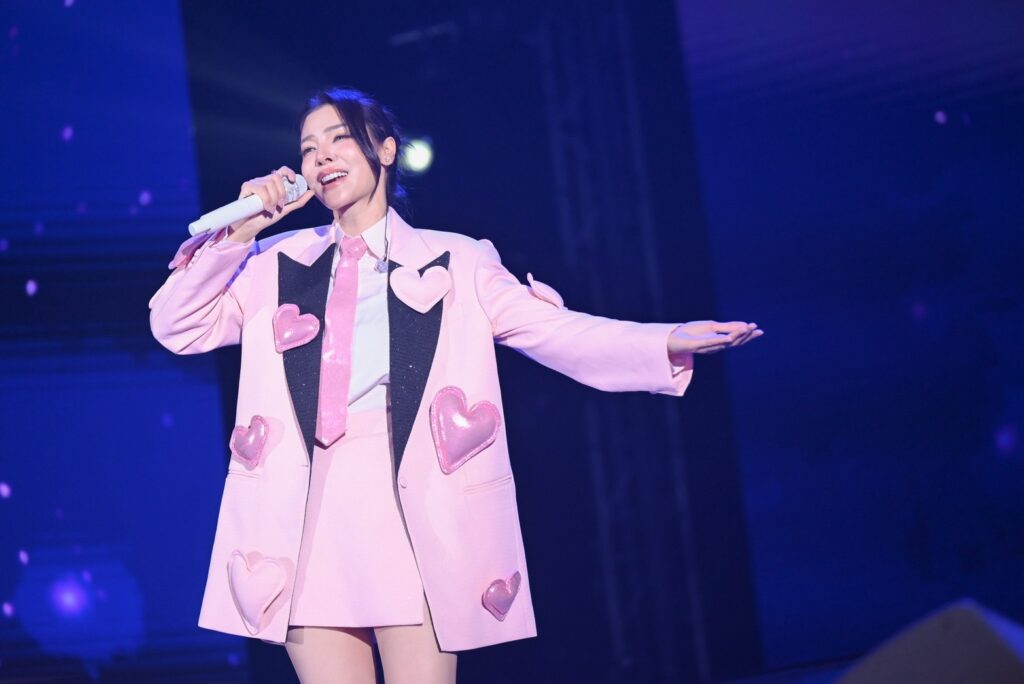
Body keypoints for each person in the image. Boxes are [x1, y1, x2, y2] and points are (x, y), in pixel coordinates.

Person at [149, 87, 763, 684]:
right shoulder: (274, 264)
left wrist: (664, 340)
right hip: (305, 511)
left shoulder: (457, 260)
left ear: (385, 149)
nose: (321, 157)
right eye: (309, 148)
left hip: (413, 508)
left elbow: (554, 332)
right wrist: (240, 232)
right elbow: (176, 325)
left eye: (339, 139)